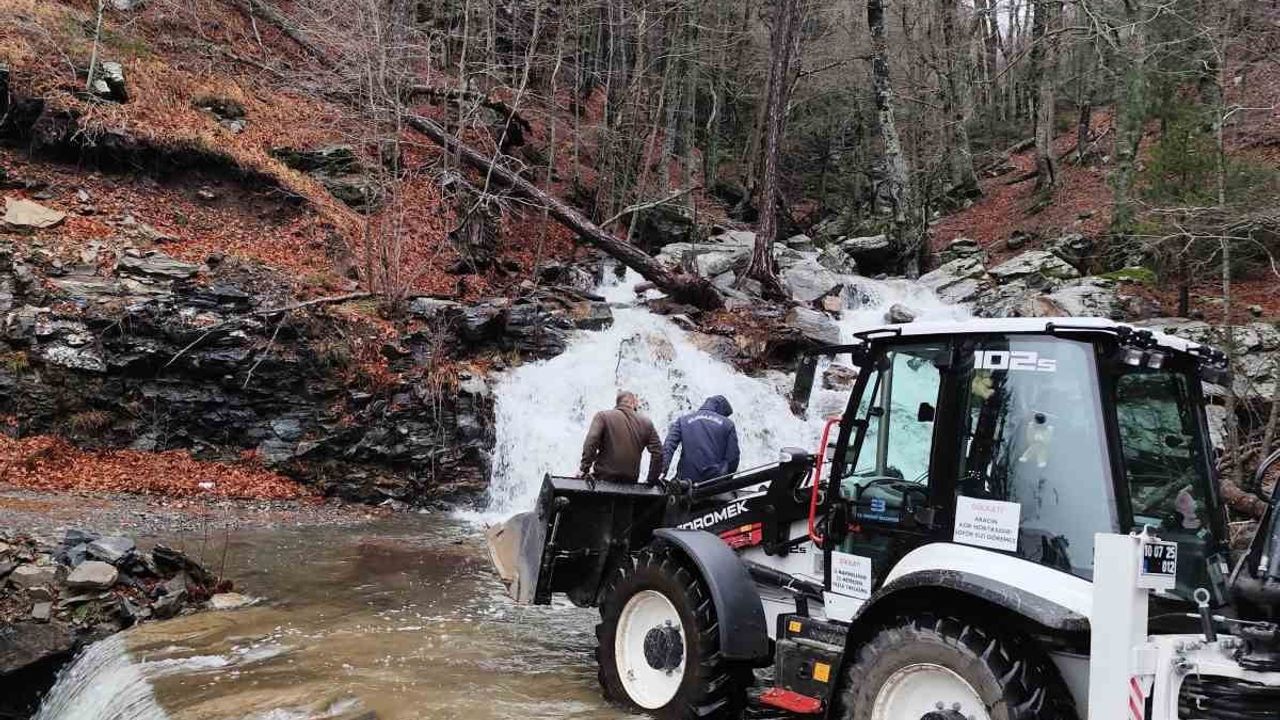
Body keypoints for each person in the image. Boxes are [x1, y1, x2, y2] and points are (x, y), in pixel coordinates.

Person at [579, 390, 663, 484]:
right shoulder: (647, 423)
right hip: (630, 482)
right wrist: (651, 480)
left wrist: (584, 469)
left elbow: (591, 441)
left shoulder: (602, 416)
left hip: (603, 479)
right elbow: (658, 453)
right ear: (633, 402)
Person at [662, 395, 740, 484]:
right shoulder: (728, 424)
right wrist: (727, 479)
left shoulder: (682, 420)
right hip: (715, 481)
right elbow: (733, 458)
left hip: (686, 480)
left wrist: (662, 472)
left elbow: (668, 447)